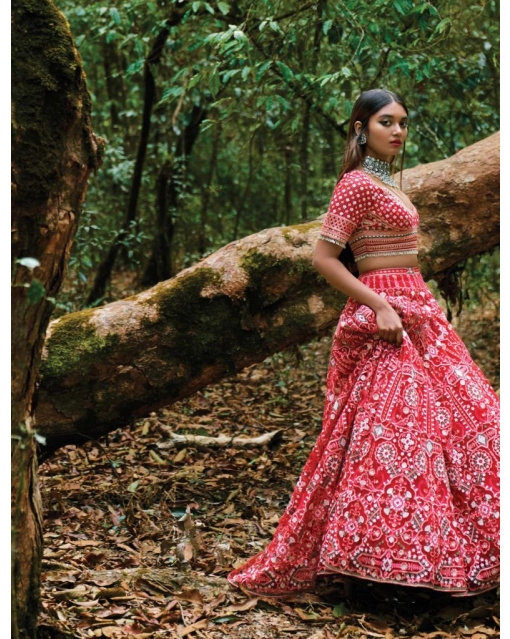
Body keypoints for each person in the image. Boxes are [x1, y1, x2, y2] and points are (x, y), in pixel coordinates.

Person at [226, 89, 500, 598]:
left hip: (418, 309)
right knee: (397, 438)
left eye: (402, 123)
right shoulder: (355, 184)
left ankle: (453, 554)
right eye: (385, 122)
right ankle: (385, 571)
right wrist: (378, 305)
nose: (397, 131)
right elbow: (325, 258)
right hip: (384, 317)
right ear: (360, 129)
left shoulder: (390, 183)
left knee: (476, 419)